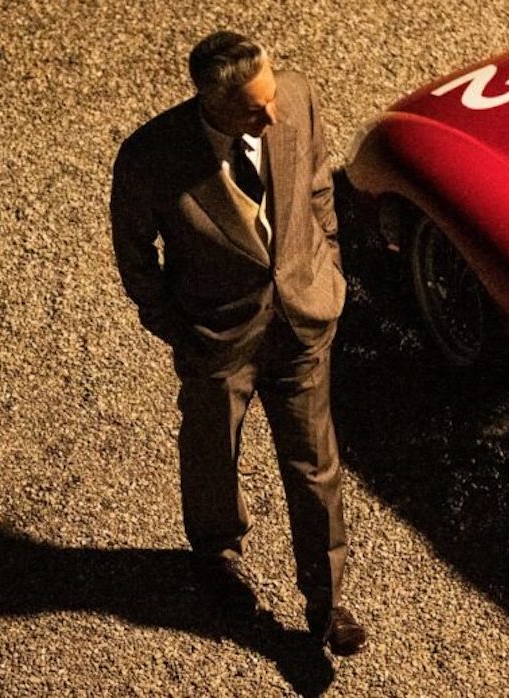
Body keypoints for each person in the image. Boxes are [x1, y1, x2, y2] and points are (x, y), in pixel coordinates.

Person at [109, 30, 366, 656]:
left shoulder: (296, 97)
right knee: (210, 451)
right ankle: (217, 557)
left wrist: (325, 261)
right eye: (254, 110)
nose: (270, 114)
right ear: (213, 103)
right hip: (216, 335)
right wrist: (172, 323)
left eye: (271, 98)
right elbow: (134, 253)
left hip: (303, 317)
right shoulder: (151, 157)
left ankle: (327, 605)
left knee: (315, 464)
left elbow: (316, 187)